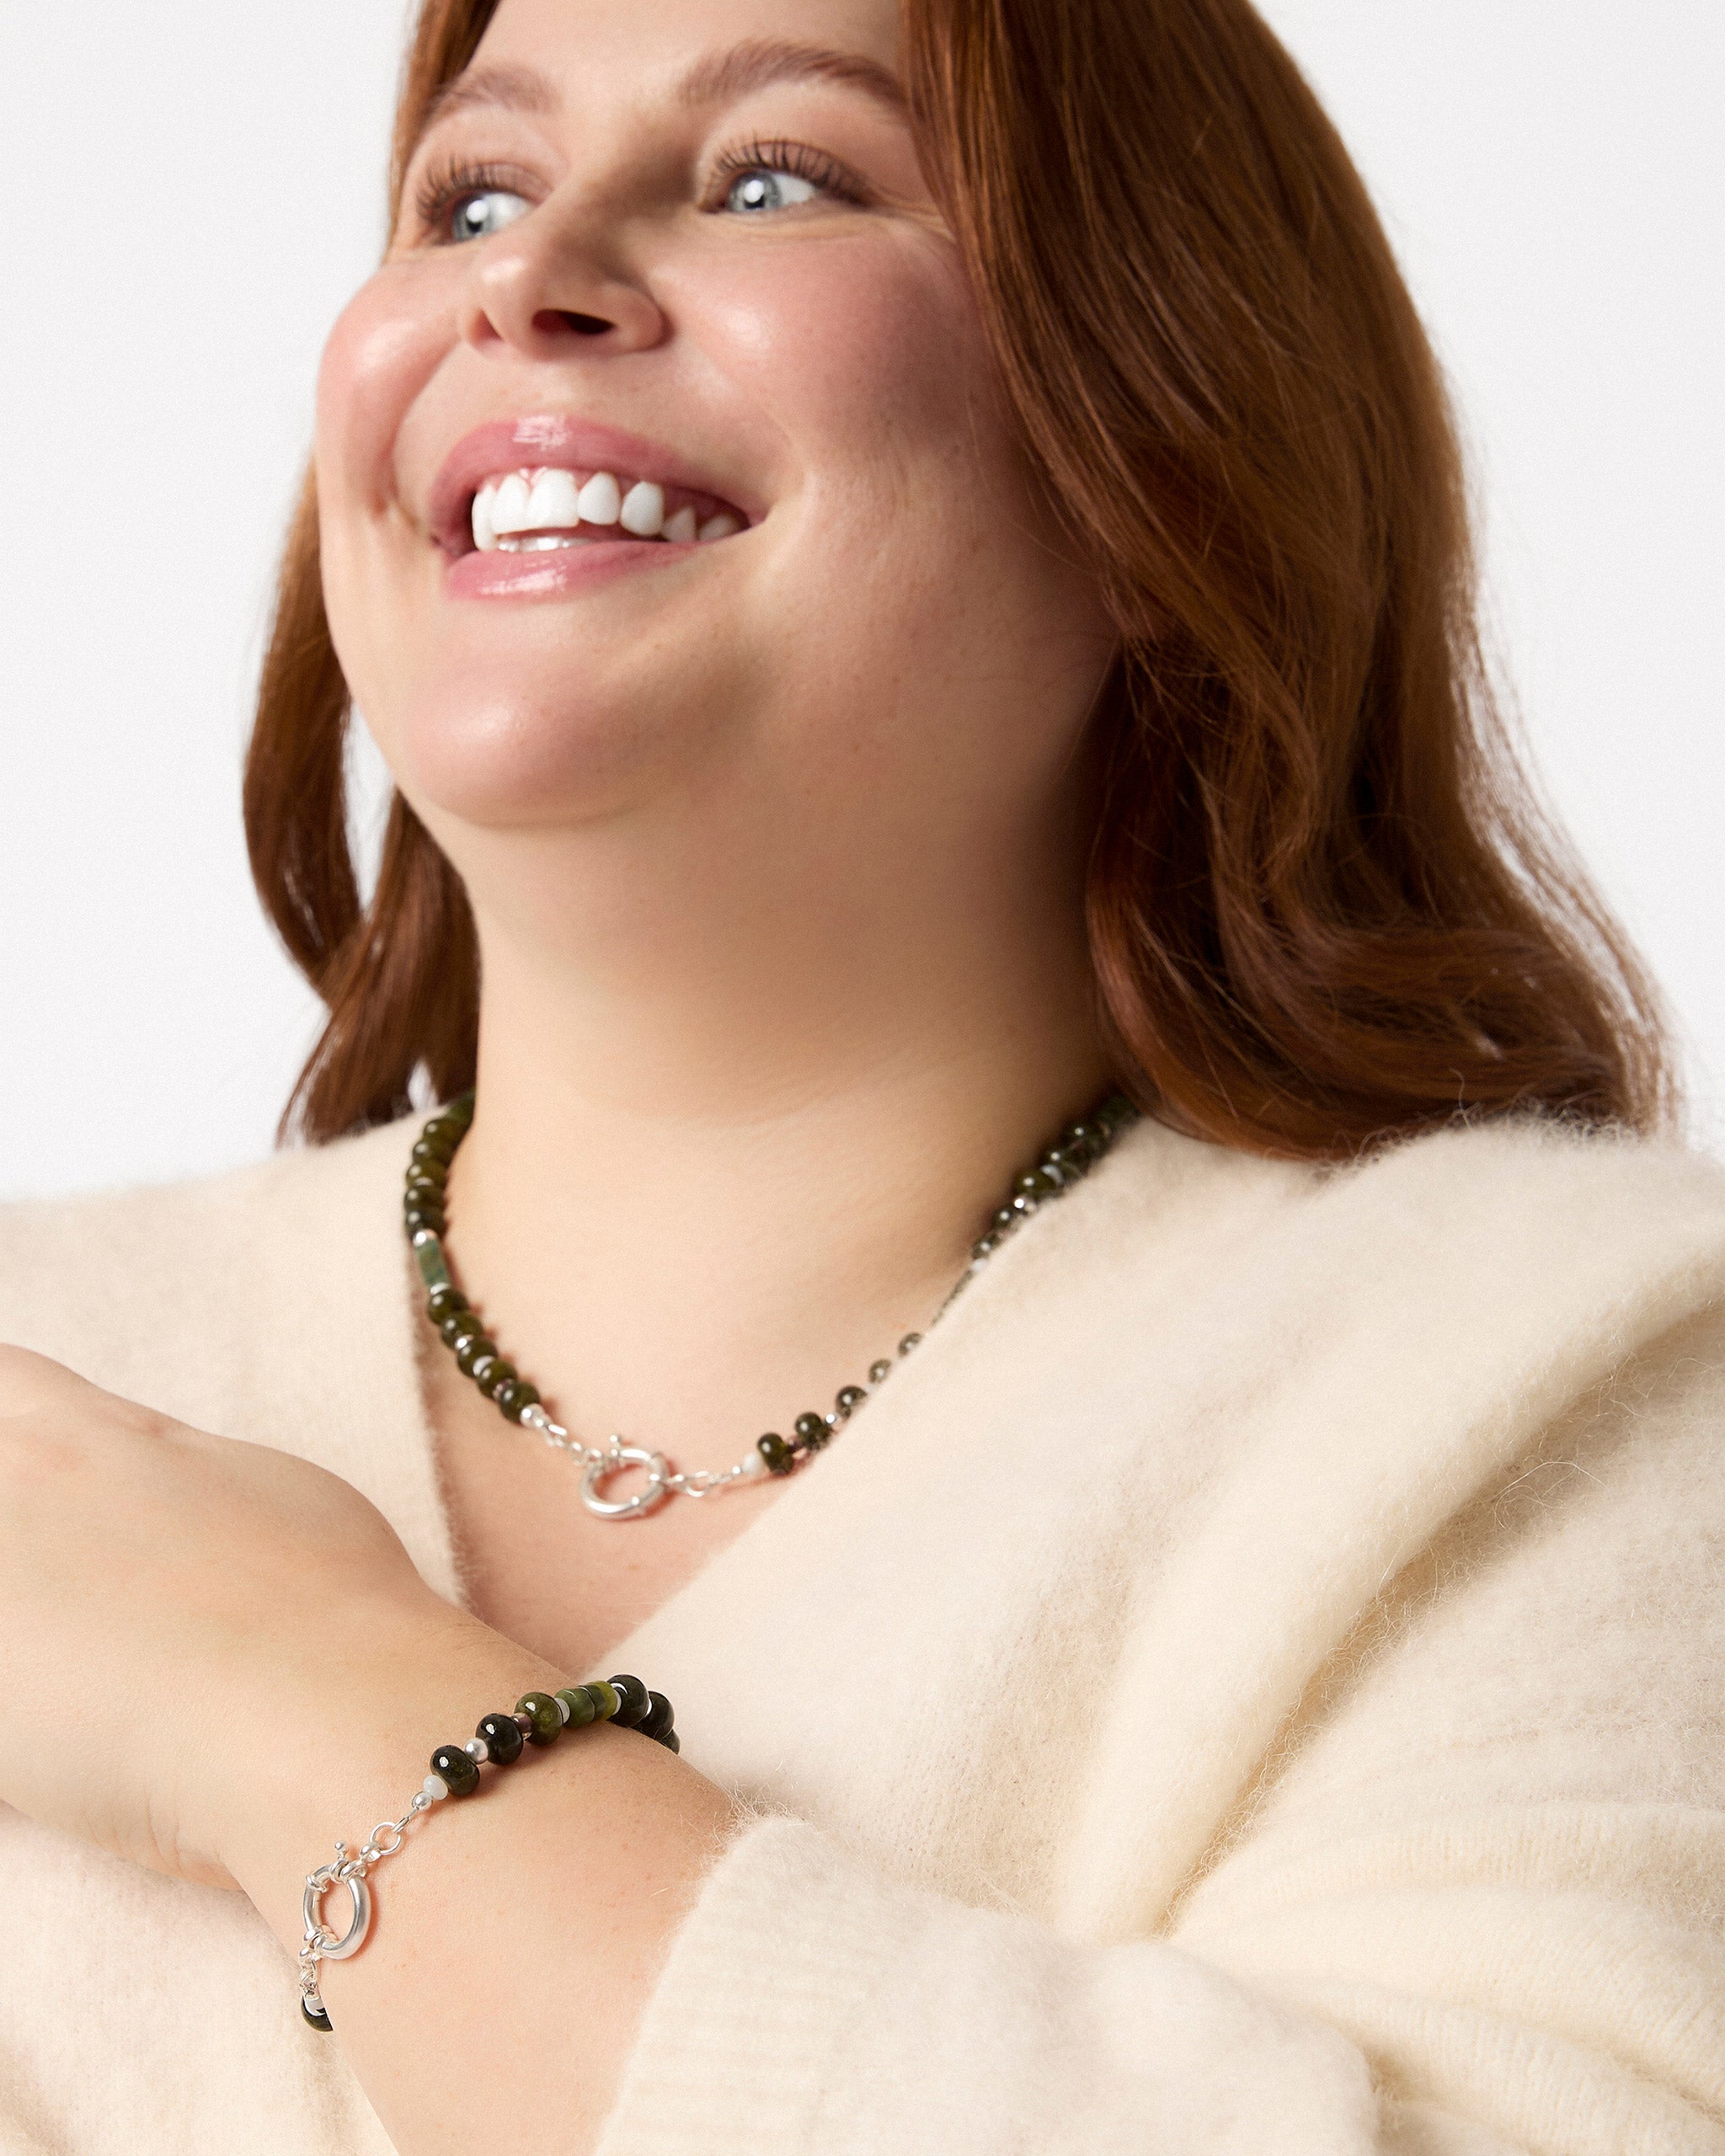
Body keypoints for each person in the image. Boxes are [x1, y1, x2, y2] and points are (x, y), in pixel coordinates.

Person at [3, 0, 1722, 2148]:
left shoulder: (1555, 1382)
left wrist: (276, 1686)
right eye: (472, 191)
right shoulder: (35, 1369)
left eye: (775, 178)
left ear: (1162, 441)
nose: (524, 280)